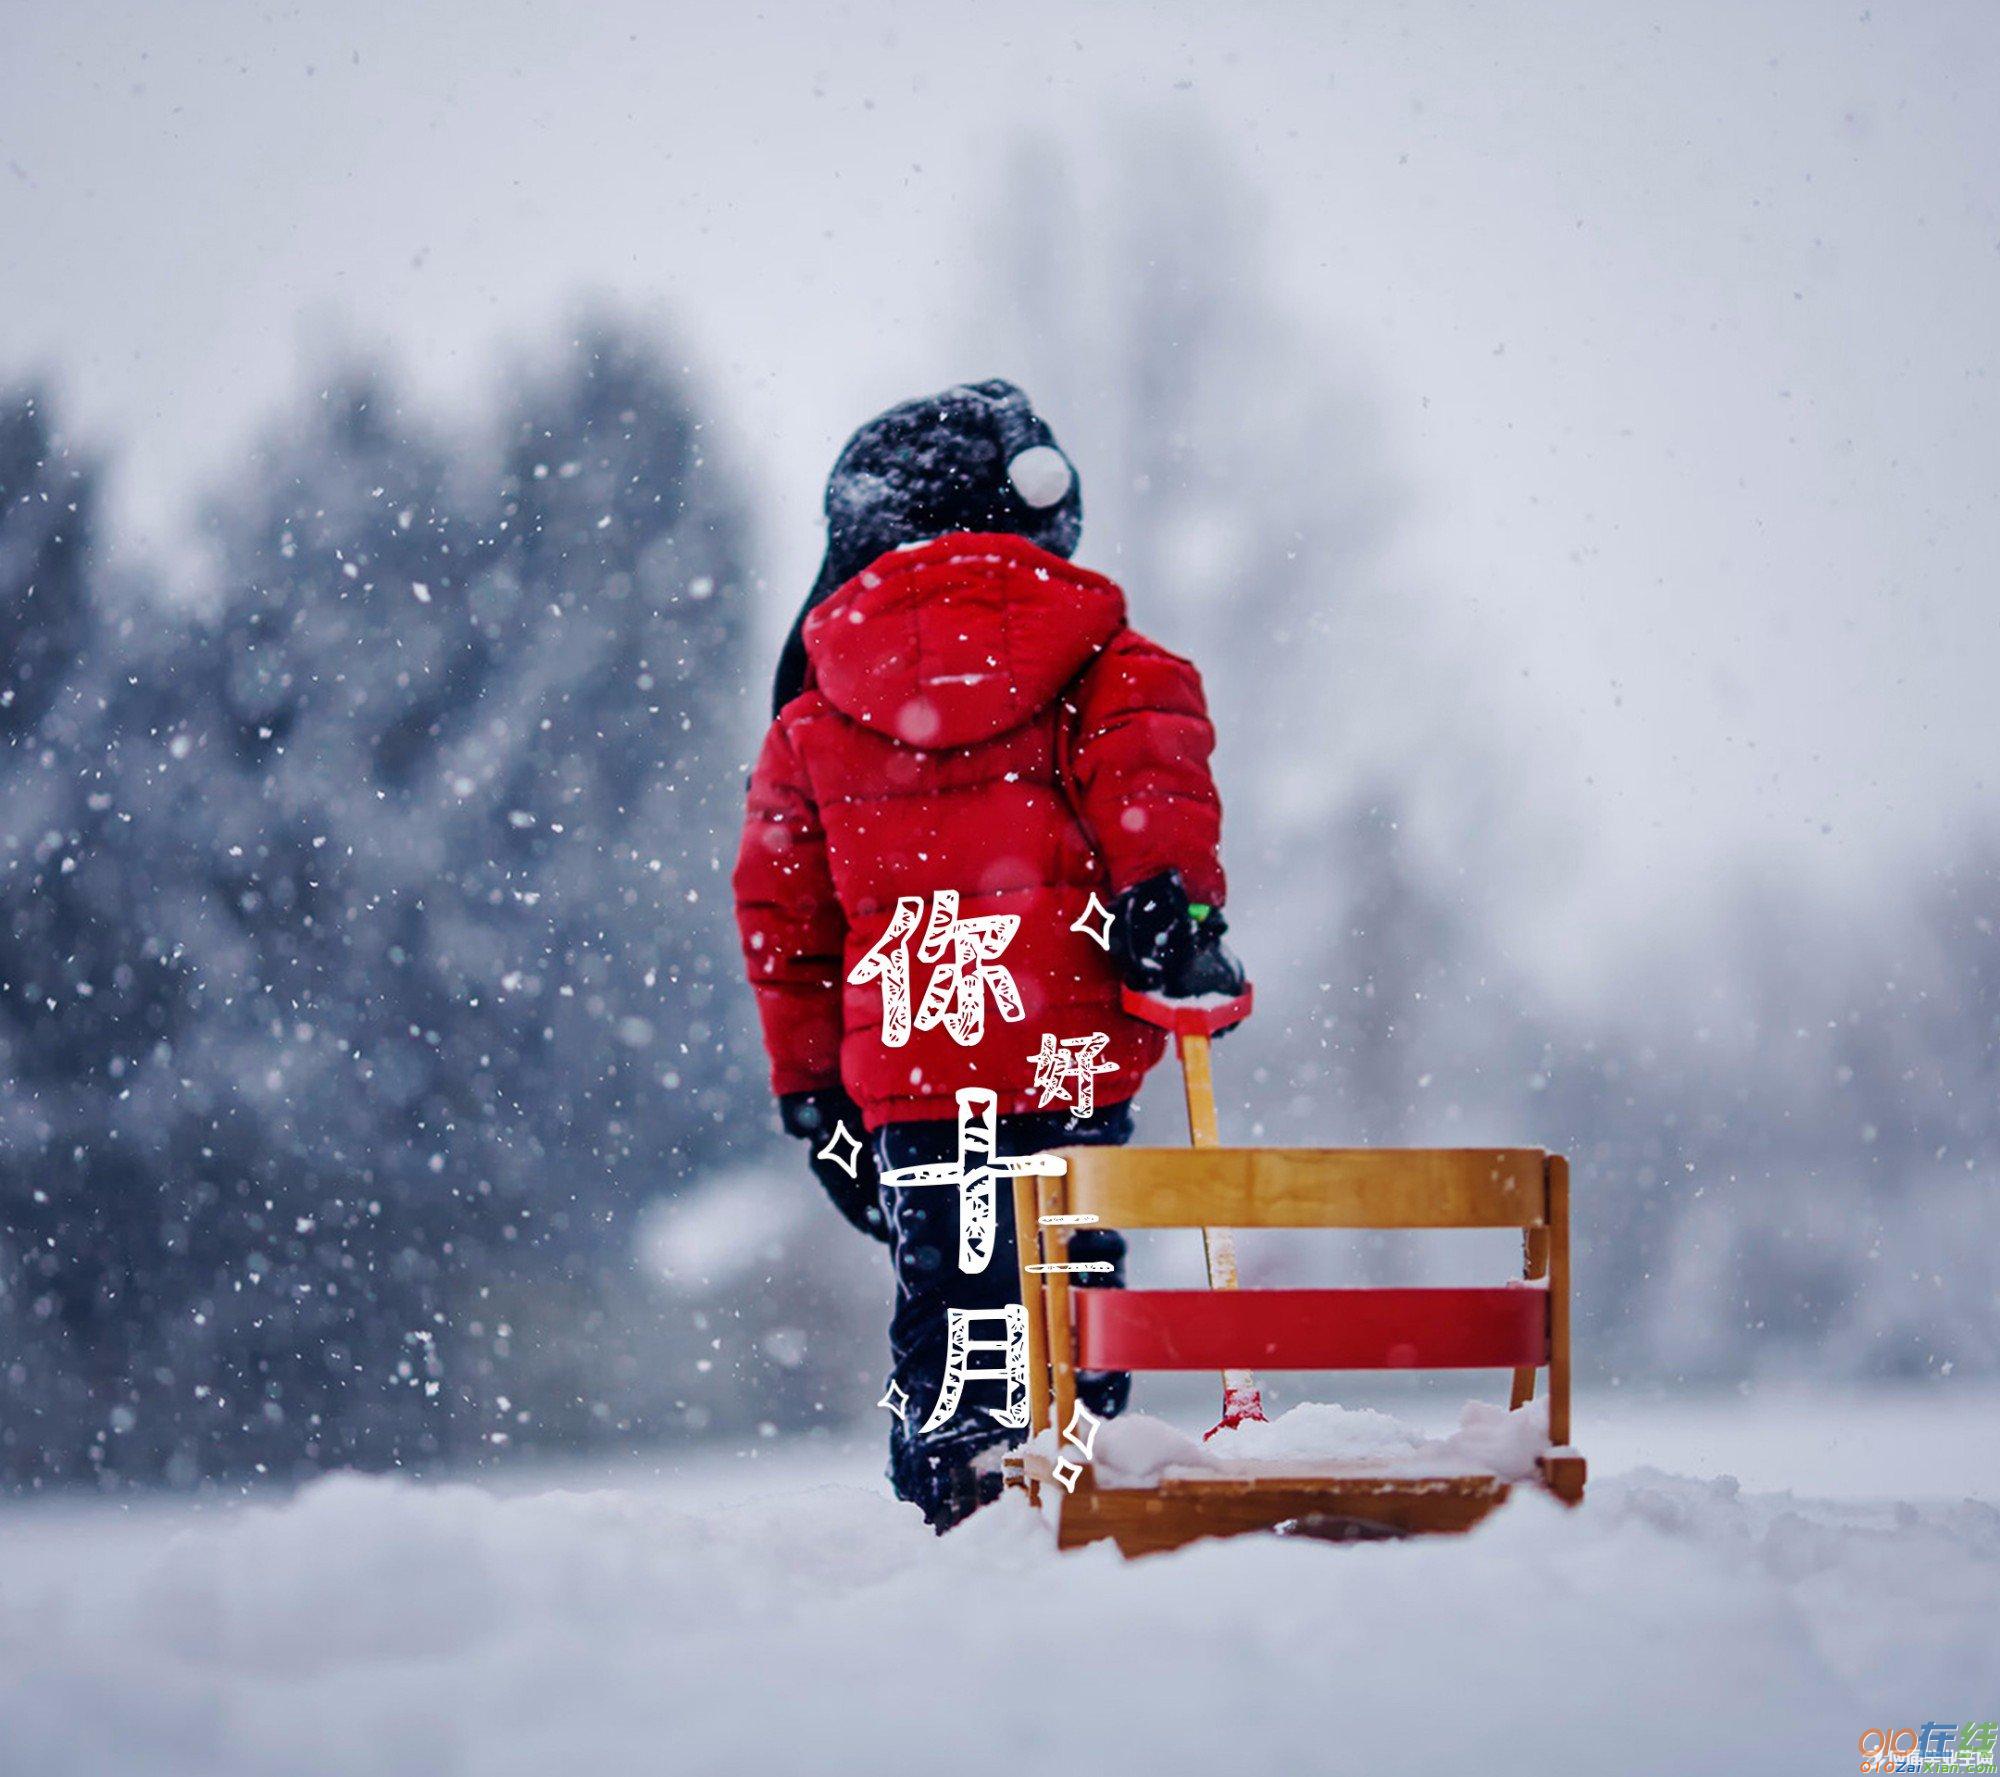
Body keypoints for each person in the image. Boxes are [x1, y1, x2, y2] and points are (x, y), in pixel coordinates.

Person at [732, 380, 1243, 1529]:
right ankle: (1075, 1462)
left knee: (951, 1288)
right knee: (1067, 1271)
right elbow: (1153, 784)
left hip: (916, 1060)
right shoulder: (1112, 664)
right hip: (1067, 1055)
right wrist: (1177, 915)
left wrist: (810, 1084)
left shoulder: (810, 719)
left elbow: (784, 918)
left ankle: (960, 1468)